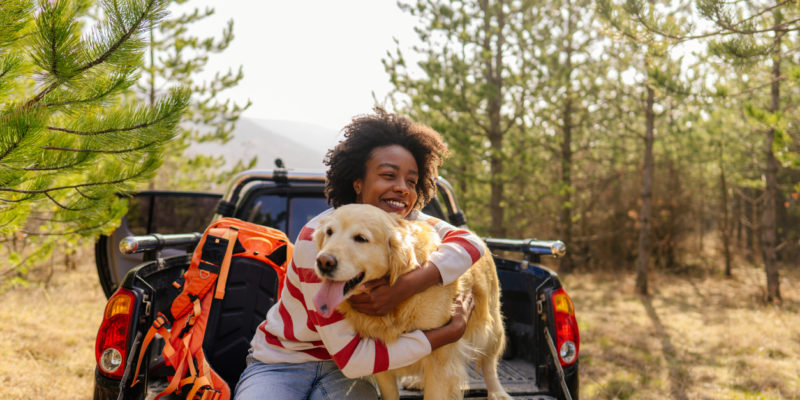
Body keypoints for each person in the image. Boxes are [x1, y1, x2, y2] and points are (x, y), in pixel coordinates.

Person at [234, 109, 485, 399]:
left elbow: (471, 243)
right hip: (282, 362)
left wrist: (406, 286)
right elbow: (354, 360)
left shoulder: (409, 225)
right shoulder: (318, 236)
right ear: (358, 183)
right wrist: (445, 334)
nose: (402, 188)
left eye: (412, 181)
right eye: (388, 175)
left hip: (349, 370)